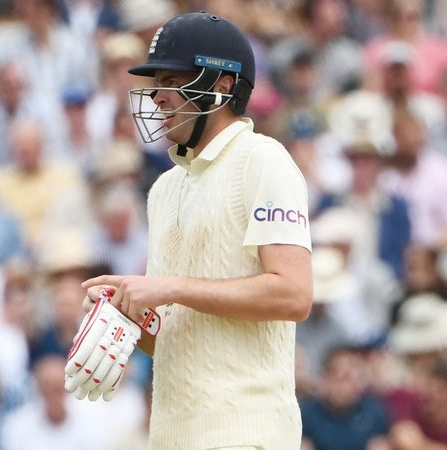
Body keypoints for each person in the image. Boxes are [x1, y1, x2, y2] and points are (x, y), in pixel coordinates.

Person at [77, 13, 313, 449]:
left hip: (247, 432)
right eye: (156, 83)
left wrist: (171, 287)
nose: (157, 96)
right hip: (173, 436)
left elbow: (294, 295)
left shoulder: (262, 159)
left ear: (222, 84)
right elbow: (177, 334)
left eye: (171, 80)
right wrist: (128, 313)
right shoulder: (165, 189)